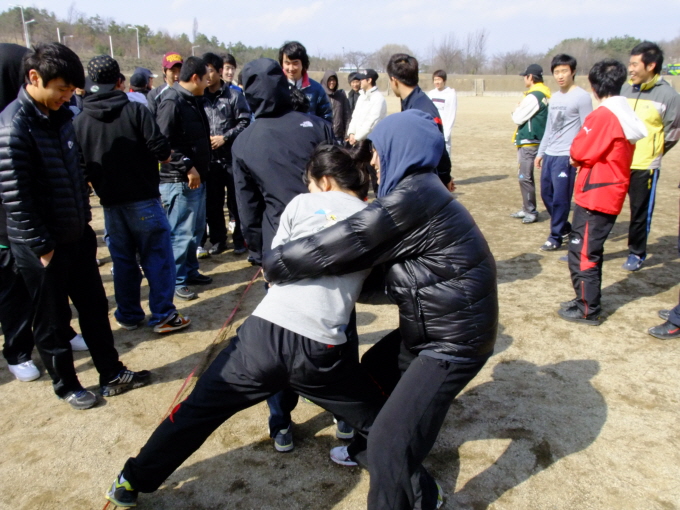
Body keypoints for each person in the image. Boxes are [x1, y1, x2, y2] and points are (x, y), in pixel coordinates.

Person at [104, 144, 386, 508]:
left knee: (197, 412)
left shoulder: (302, 203)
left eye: (312, 183)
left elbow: (274, 269)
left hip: (263, 336)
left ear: (326, 181)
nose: (311, 189)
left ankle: (131, 479)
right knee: (381, 421)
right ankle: (422, 489)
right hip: (321, 350)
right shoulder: (375, 219)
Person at [264, 109, 498, 510]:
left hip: (453, 341)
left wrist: (276, 263)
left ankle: (409, 485)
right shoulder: (419, 191)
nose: (372, 160)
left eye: (377, 151)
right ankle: (369, 452)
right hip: (435, 325)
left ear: (399, 149)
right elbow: (384, 278)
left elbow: (341, 241)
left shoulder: (412, 198)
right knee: (373, 371)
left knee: (391, 438)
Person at [0, 43, 150, 409]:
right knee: (52, 321)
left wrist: (83, 223)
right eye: (62, 89)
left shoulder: (63, 116)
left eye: (71, 90)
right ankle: (66, 384)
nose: (67, 97)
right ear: (34, 77)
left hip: (76, 234)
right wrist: (42, 246)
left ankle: (112, 373)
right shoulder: (13, 126)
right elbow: (16, 197)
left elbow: (76, 173)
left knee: (95, 308)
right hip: (41, 245)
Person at [231, 58, 336, 451]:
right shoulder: (317, 126)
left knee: (280, 337)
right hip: (329, 241)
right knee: (336, 327)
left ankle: (280, 421)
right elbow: (340, 182)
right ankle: (344, 417)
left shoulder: (244, 141)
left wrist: (259, 254)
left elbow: (247, 209)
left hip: (281, 247)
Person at [73, 55, 191, 334]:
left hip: (110, 204)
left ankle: (128, 314)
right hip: (143, 199)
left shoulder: (79, 121)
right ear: (119, 81)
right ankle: (163, 315)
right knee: (157, 258)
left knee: (123, 261)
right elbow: (161, 150)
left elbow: (80, 167)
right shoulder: (135, 110)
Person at [557, 59, 647, 326]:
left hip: (597, 194)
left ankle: (588, 308)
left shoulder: (605, 115)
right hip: (608, 191)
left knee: (583, 252)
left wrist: (577, 157)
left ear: (594, 87)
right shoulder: (623, 111)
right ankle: (584, 299)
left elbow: (579, 150)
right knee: (589, 250)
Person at [620, 41, 680, 271]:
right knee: (604, 207)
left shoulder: (668, 95)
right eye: (630, 64)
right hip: (619, 161)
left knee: (639, 211)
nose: (631, 69)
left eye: (635, 64)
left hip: (645, 165)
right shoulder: (625, 90)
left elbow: (673, 132)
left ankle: (636, 252)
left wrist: (655, 150)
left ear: (651, 65)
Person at [156, 56, 212, 301]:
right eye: (206, 77)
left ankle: (190, 271)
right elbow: (162, 143)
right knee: (180, 233)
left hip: (197, 179)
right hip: (179, 180)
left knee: (195, 230)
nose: (209, 81)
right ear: (195, 78)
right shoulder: (172, 102)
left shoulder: (193, 100)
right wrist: (188, 166)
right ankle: (177, 280)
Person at [536, 54, 593, 251]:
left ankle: (555, 236)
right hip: (550, 154)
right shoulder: (554, 98)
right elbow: (549, 128)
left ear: (573, 71)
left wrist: (580, 157)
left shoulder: (582, 97)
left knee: (561, 198)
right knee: (546, 195)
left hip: (567, 156)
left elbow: (587, 129)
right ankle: (565, 227)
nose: (560, 76)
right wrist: (541, 152)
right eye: (556, 72)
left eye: (564, 71)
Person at [197, 52, 250, 258]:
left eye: (210, 71)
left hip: (231, 158)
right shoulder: (199, 97)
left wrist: (225, 137)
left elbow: (245, 122)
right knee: (213, 203)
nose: (207, 75)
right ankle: (218, 240)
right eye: (205, 71)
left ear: (219, 71)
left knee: (236, 202)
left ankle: (239, 240)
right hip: (210, 161)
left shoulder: (234, 96)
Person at [387, 54, 454, 191]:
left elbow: (439, 149)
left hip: (424, 185)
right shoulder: (410, 102)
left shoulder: (422, 109)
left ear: (394, 80)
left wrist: (444, 178)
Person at [510, 64, 551, 224]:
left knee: (524, 177)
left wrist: (516, 109)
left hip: (529, 142)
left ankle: (530, 211)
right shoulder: (543, 94)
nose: (524, 79)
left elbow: (517, 118)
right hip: (534, 141)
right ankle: (527, 207)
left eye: (525, 76)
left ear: (531, 77)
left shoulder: (534, 96)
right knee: (525, 177)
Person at [278, 41, 333, 122]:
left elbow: (326, 118)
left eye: (295, 63)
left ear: (303, 63)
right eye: (287, 63)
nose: (291, 68)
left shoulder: (316, 89)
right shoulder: (276, 88)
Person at [346, 68, 386, 144]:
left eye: (362, 79)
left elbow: (372, 123)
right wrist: (351, 133)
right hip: (358, 141)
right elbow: (355, 116)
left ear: (369, 80)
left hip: (371, 142)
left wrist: (357, 137)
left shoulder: (378, 99)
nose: (359, 81)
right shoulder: (362, 96)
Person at [427, 69, 457, 156]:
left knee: (444, 156)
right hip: (433, 129)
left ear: (444, 80)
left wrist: (446, 134)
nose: (437, 82)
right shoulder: (431, 94)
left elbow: (451, 114)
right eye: (435, 80)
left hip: (444, 130)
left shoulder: (450, 94)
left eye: (439, 79)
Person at [148, 51, 183, 117]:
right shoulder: (155, 95)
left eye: (180, 71)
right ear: (163, 71)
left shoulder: (189, 93)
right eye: (173, 71)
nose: (177, 76)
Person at [322, 69, 351, 140]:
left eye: (334, 80)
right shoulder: (321, 95)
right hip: (324, 136)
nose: (332, 82)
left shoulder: (341, 96)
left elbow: (347, 116)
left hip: (338, 136)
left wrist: (347, 134)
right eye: (329, 80)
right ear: (325, 81)